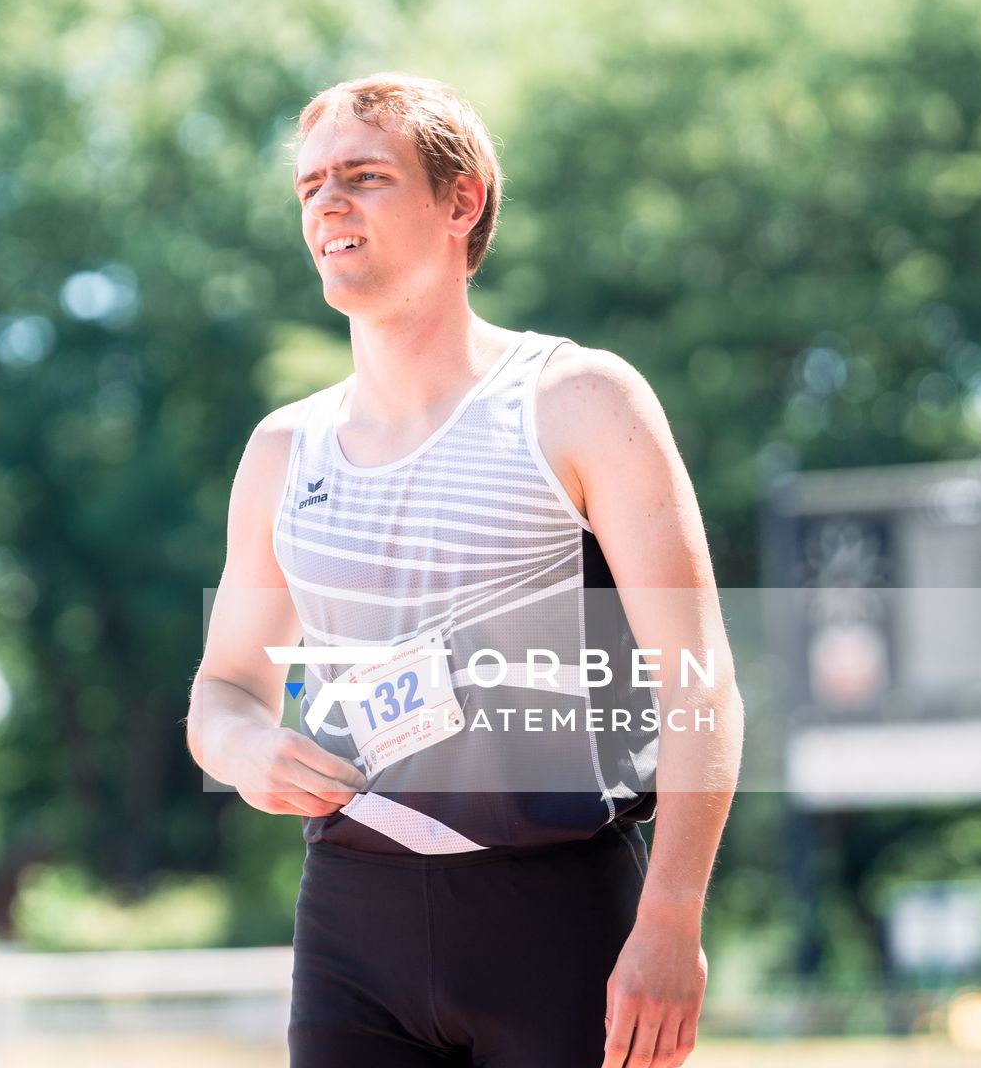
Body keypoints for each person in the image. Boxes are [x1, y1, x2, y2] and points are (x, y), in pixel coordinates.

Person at [185, 72, 744, 1068]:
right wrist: (242, 751)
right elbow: (223, 690)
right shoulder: (283, 449)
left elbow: (699, 681)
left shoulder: (580, 401)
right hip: (353, 922)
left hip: (562, 916)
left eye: (365, 176)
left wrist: (673, 914)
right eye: (311, 185)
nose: (329, 205)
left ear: (462, 200)